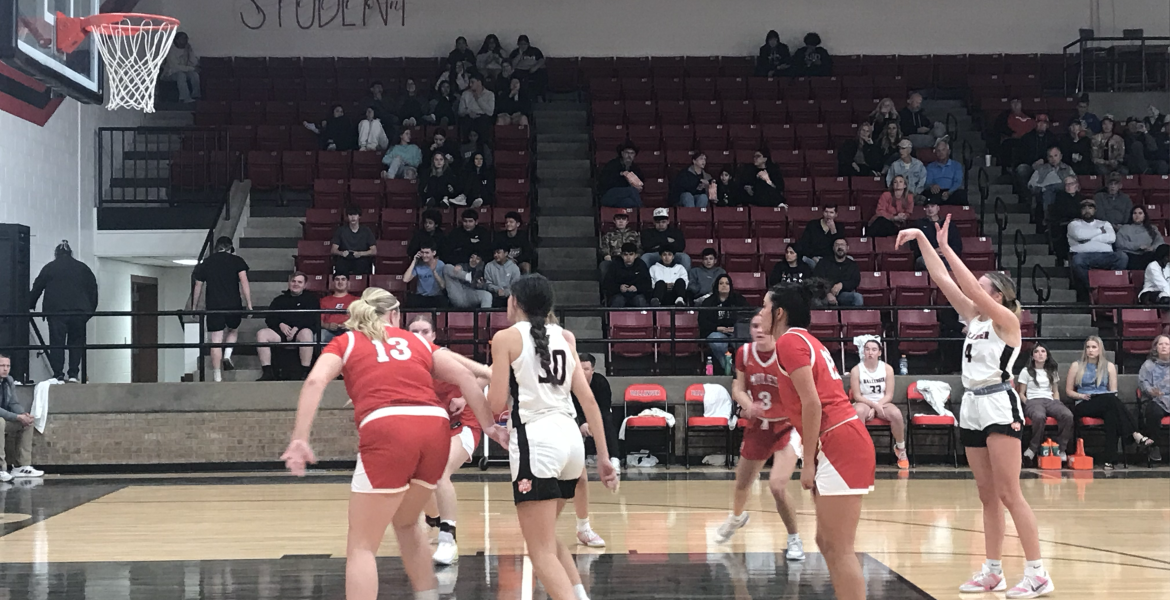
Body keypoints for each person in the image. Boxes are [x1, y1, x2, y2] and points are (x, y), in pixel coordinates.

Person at [281, 287, 506, 600]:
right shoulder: (417, 342)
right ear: (396, 315)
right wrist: (490, 427)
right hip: (434, 428)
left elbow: (316, 381)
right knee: (406, 524)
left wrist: (299, 438)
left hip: (388, 427)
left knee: (361, 545)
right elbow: (467, 378)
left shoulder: (345, 341)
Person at [895, 216, 1052, 598]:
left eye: (983, 287)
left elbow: (967, 286)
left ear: (997, 295)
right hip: (971, 405)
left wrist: (948, 248)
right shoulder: (975, 317)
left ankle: (1037, 573)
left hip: (999, 402)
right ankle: (993, 570)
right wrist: (921, 239)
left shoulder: (1006, 320)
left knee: (1009, 492)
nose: (975, 290)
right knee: (986, 494)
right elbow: (943, 281)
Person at [486, 275, 618, 600]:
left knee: (539, 551)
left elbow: (496, 403)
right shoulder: (566, 337)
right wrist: (603, 457)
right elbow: (589, 403)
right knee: (544, 537)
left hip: (538, 442)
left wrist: (484, 379)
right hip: (572, 442)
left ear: (515, 301)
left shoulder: (505, 338)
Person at [759, 280, 873, 600]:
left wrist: (806, 461)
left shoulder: (789, 343)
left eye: (766, 307)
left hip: (839, 442)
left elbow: (812, 403)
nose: (761, 312)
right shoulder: (805, 341)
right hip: (836, 440)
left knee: (839, 547)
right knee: (826, 542)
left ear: (779, 313)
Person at [714, 311, 805, 560]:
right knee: (742, 482)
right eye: (754, 326)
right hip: (759, 425)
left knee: (776, 486)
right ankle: (737, 517)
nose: (759, 329)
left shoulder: (786, 353)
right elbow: (738, 387)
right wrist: (747, 403)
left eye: (763, 325)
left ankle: (794, 539)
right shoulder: (744, 353)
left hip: (787, 425)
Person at [406, 315, 495, 565]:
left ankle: (448, 539)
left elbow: (486, 375)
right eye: (414, 331)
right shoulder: (406, 360)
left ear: (434, 336)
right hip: (433, 426)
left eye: (425, 331)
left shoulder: (441, 355)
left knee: (439, 473)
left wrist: (465, 398)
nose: (420, 336)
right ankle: (434, 519)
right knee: (416, 478)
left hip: (463, 424)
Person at [1065, 336, 1158, 469]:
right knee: (1112, 402)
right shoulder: (1076, 365)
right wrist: (1081, 395)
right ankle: (1135, 434)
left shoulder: (1109, 366)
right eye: (1088, 347)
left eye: (1094, 347)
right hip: (1084, 402)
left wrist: (1104, 396)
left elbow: (1113, 391)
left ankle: (1110, 460)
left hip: (1106, 401)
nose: (1090, 350)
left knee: (1111, 416)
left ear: (1100, 349)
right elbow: (1069, 391)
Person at [30, 240, 98, 383]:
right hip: (79, 312)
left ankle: (58, 374)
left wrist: (30, 304)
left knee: (57, 343)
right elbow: (93, 290)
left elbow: (38, 286)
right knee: (76, 343)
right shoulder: (83, 268)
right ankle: (73, 374)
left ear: (56, 254)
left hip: (56, 312)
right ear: (70, 253)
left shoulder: (50, 267)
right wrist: (89, 312)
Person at [571, 352, 619, 548]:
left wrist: (591, 423)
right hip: (570, 418)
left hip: (597, 415)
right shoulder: (569, 382)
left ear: (593, 369)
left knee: (607, 421)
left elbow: (601, 407)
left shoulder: (600, 383)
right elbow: (573, 406)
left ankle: (613, 458)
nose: (583, 372)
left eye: (586, 368)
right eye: (579, 368)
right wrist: (581, 423)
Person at [191, 236, 252, 382]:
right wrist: (249, 303)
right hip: (233, 303)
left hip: (214, 305)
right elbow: (244, 282)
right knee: (233, 330)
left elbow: (198, 286)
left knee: (215, 340)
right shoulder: (237, 260)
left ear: (216, 247)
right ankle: (227, 355)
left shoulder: (206, 263)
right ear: (230, 247)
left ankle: (217, 375)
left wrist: (194, 306)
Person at [849, 339, 908, 469]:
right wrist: (872, 406)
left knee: (896, 414)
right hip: (864, 402)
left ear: (879, 352)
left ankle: (901, 449)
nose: (870, 352)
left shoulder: (887, 369)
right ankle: (860, 451)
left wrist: (877, 407)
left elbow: (889, 395)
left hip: (883, 402)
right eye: (867, 349)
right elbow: (857, 396)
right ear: (863, 352)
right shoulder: (856, 370)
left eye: (874, 349)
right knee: (858, 412)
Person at [1015, 343, 1073, 463]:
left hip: (1050, 400)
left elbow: (1055, 391)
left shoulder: (1051, 371)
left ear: (1047, 355)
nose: (1040, 354)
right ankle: (1033, 448)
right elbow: (1021, 393)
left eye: (1043, 351)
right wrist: (1028, 403)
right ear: (1032, 356)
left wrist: (1056, 402)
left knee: (1067, 415)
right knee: (1039, 416)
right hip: (1033, 401)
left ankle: (1061, 449)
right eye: (1036, 351)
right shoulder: (1026, 371)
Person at [255, 272, 318, 381]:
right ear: (289, 283)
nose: (296, 284)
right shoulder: (279, 300)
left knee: (307, 333)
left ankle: (305, 372)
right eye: (293, 281)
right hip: (281, 332)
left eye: (299, 282)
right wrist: (280, 324)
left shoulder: (311, 299)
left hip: (301, 331)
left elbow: (312, 318)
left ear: (305, 285)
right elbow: (269, 318)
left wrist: (297, 327)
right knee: (261, 334)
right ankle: (267, 372)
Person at [1067, 199, 1126, 289]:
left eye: (1090, 208)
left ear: (1095, 210)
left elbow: (1111, 238)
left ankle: (1109, 284)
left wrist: (1089, 237)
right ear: (1080, 211)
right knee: (1077, 261)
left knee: (1122, 257)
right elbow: (1080, 236)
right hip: (1084, 256)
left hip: (1106, 255)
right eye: (1084, 208)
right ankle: (1093, 286)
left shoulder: (1105, 223)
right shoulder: (1074, 224)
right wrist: (1100, 231)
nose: (1087, 210)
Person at [0, 354, 41, 482]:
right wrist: (17, 417)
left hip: (5, 418)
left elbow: (13, 403)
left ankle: (22, 466)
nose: (5, 369)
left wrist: (23, 414)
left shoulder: (9, 381)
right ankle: (1, 468)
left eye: (8, 366)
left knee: (27, 423)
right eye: (2, 366)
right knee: (0, 422)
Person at [699, 274, 749, 375]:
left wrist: (736, 328)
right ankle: (730, 369)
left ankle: (744, 370)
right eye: (721, 283)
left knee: (745, 340)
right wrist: (718, 328)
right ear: (716, 286)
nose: (724, 286)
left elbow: (747, 316)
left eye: (727, 283)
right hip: (717, 332)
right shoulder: (708, 302)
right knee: (716, 341)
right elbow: (702, 322)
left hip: (736, 331)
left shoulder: (739, 300)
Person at [1137, 335, 1169, 463]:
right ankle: (1154, 446)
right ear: (1156, 347)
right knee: (1153, 412)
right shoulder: (1148, 365)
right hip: (1154, 399)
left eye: (1167, 344)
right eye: (1161, 344)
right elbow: (1143, 383)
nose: (1164, 346)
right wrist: (1151, 392)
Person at [911, 198, 963, 270]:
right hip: (928, 256)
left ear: (938, 208)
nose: (930, 209)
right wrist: (933, 251)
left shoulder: (948, 224)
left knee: (954, 263)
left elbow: (957, 244)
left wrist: (945, 251)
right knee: (922, 262)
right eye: (927, 207)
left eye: (932, 206)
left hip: (947, 256)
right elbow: (915, 245)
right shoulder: (919, 224)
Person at [813, 239, 863, 307]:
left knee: (857, 297)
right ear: (833, 248)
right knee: (815, 300)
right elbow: (817, 280)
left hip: (844, 294)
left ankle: (856, 318)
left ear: (847, 248)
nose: (840, 247)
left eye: (842, 245)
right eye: (837, 245)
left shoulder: (852, 265)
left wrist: (842, 285)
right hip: (824, 295)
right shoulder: (823, 263)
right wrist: (827, 293)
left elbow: (855, 281)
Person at [1014, 114, 1058, 188]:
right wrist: (1032, 163)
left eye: (1044, 123)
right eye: (1039, 122)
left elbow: (1056, 154)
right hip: (1030, 166)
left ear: (1047, 125)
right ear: (1035, 124)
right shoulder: (1026, 138)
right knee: (1022, 169)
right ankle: (1026, 195)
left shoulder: (1052, 138)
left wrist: (1044, 160)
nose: (1041, 125)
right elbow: (1021, 155)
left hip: (1047, 166)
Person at [602, 243, 652, 308]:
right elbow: (607, 284)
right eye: (625, 254)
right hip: (619, 294)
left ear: (636, 255)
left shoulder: (641, 265)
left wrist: (637, 288)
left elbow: (647, 284)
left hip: (637, 294)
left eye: (631, 254)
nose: (628, 257)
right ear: (622, 255)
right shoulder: (615, 265)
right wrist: (619, 288)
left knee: (640, 301)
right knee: (618, 301)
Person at [1115, 205, 1164, 271]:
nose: (1137, 215)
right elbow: (1120, 243)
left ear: (1144, 215)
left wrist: (1152, 247)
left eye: (1140, 213)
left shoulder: (1152, 228)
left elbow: (1160, 241)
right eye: (1135, 213)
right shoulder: (1124, 228)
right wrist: (1138, 246)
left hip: (1148, 254)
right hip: (1131, 255)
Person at [332, 207, 378, 275]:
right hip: (345, 259)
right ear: (347, 216)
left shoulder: (366, 231)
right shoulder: (341, 230)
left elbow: (374, 251)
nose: (353, 217)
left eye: (355, 215)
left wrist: (360, 254)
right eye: (350, 215)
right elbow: (333, 250)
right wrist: (341, 253)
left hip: (361, 259)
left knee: (363, 266)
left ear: (359, 216)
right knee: (340, 267)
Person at [598, 142, 645, 208]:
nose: (629, 156)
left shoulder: (635, 168)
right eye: (627, 153)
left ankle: (639, 215)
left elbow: (641, 182)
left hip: (622, 199)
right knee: (631, 190)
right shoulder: (612, 165)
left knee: (629, 202)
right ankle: (642, 209)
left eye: (632, 153)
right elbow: (604, 182)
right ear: (622, 153)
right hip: (608, 195)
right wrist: (621, 174)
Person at [923, 140, 967, 206]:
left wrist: (949, 192)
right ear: (935, 153)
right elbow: (928, 182)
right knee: (931, 198)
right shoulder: (930, 166)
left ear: (948, 151)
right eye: (938, 151)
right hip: (937, 192)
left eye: (943, 150)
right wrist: (932, 186)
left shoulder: (956, 165)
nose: (941, 153)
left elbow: (958, 182)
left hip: (952, 191)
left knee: (961, 195)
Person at [598, 211, 639, 282]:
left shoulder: (634, 234)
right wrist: (606, 254)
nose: (621, 221)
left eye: (623, 219)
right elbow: (604, 247)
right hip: (614, 259)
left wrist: (636, 256)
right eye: (618, 219)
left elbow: (639, 247)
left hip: (631, 258)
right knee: (604, 265)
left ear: (627, 221)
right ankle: (606, 289)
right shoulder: (609, 234)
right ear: (614, 221)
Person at [404, 242, 448, 308]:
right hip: (421, 297)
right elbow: (405, 279)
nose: (424, 255)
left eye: (427, 253)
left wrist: (434, 272)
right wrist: (414, 261)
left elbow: (443, 286)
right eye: (422, 252)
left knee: (444, 302)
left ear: (434, 253)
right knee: (410, 301)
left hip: (436, 297)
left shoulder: (440, 264)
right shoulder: (418, 265)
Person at [319, 273, 359, 344]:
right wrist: (327, 325)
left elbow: (361, 320)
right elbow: (319, 320)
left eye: (343, 279)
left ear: (348, 282)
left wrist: (350, 325)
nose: (340, 282)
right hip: (330, 331)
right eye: (337, 279)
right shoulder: (324, 300)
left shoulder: (356, 300)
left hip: (350, 331)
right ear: (333, 283)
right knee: (320, 335)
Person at [163, 32, 200, 103]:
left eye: (186, 38)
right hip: (170, 73)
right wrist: (191, 68)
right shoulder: (171, 51)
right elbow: (175, 67)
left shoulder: (188, 48)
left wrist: (190, 52)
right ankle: (184, 98)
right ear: (177, 40)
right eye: (183, 38)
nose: (186, 40)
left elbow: (193, 62)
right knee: (181, 75)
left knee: (194, 75)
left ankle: (196, 95)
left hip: (185, 71)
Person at [507, 35, 547, 101]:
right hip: (520, 71)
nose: (523, 46)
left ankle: (540, 95)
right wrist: (520, 54)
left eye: (525, 44)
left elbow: (541, 60)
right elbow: (512, 64)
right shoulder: (515, 52)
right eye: (521, 44)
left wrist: (535, 67)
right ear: (518, 44)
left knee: (542, 75)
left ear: (528, 44)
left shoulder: (535, 50)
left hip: (533, 69)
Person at [458, 74, 496, 140]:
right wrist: (468, 112)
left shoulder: (490, 94)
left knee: (484, 122)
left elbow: (490, 112)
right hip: (469, 116)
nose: (470, 85)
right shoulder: (465, 94)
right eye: (470, 82)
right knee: (465, 122)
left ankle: (483, 146)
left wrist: (478, 99)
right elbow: (460, 111)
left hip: (482, 117)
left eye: (472, 82)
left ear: (479, 82)